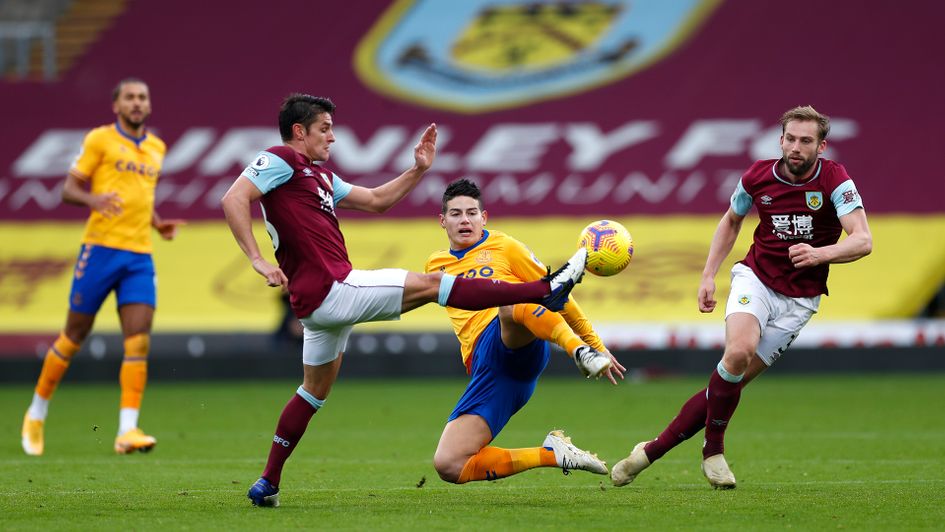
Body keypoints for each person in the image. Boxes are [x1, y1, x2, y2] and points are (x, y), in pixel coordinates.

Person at [220, 94, 589, 507]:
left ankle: (268, 481)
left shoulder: (320, 179)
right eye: (325, 129)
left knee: (312, 392)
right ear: (299, 131)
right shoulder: (280, 159)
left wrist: (418, 169)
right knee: (436, 284)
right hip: (333, 288)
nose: (333, 137)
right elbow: (234, 198)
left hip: (317, 310)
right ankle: (544, 289)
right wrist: (256, 259)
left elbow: (376, 201)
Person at [610, 105, 873, 489]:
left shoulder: (835, 180)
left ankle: (649, 451)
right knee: (737, 353)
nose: (796, 147)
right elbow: (732, 220)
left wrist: (820, 254)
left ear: (822, 146)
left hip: (800, 301)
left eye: (806, 141)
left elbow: (863, 240)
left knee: (727, 383)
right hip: (757, 280)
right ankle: (712, 451)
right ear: (780, 140)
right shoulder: (757, 176)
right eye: (791, 139)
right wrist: (708, 274)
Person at [21, 78, 185, 456]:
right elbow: (69, 189)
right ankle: (36, 411)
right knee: (73, 335)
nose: (137, 103)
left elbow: (140, 197)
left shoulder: (157, 147)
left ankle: (127, 430)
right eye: (129, 97)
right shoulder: (100, 139)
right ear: (116, 105)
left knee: (139, 338)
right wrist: (93, 198)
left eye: (142, 97)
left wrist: (158, 223)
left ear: (149, 104)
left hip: (139, 255)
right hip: (100, 251)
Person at [428, 178, 625, 485]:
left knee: (510, 300)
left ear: (484, 218)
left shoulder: (506, 247)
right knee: (449, 464)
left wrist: (593, 344)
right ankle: (552, 453)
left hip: (514, 339)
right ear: (442, 221)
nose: (464, 220)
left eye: (471, 212)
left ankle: (578, 352)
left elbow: (557, 295)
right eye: (455, 214)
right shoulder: (434, 265)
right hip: (491, 371)